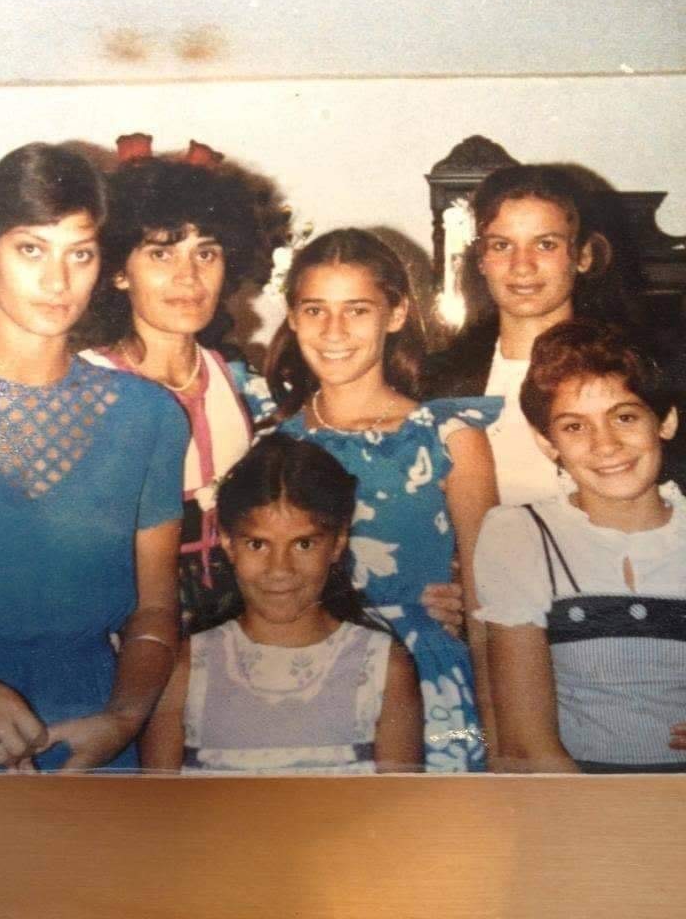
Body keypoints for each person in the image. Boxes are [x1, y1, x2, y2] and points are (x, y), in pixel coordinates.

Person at [0, 142, 188, 771]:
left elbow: (154, 607)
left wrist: (122, 720)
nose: (57, 281)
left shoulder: (146, 416)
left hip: (90, 730)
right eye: (31, 249)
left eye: (80, 253)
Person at [263, 228, 500, 772]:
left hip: (431, 688)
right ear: (293, 318)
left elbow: (490, 603)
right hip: (304, 682)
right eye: (315, 310)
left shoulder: (449, 437)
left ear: (395, 314)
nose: (335, 331)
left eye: (358, 310)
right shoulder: (275, 447)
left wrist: (498, 726)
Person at [475, 319, 686, 773]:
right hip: (573, 805)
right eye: (574, 427)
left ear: (665, 420)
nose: (605, 445)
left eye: (625, 417)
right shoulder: (521, 535)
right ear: (546, 442)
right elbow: (528, 745)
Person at [80, 137, 272, 635]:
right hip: (121, 631)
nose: (189, 277)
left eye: (206, 253)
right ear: (120, 272)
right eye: (162, 254)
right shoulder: (83, 389)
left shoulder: (244, 385)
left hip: (238, 627)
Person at [142, 435, 423, 774]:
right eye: (258, 544)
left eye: (303, 544)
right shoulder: (185, 668)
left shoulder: (382, 666)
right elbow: (160, 813)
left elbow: (400, 815)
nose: (280, 570)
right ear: (229, 543)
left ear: (337, 543)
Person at [426, 164, 631, 506]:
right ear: (481, 259)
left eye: (546, 244)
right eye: (502, 245)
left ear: (582, 255)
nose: (522, 266)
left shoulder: (625, 371)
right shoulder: (441, 382)